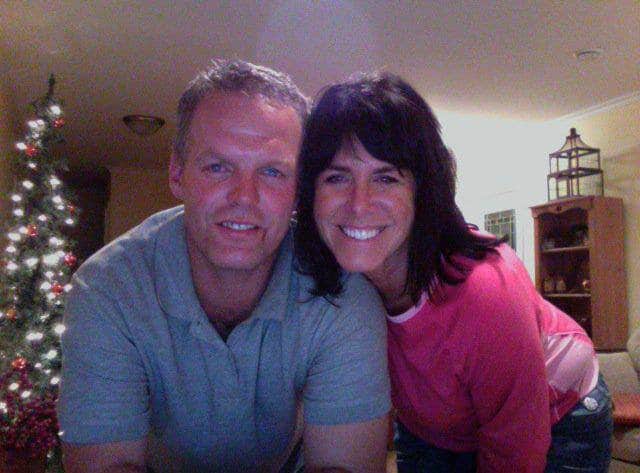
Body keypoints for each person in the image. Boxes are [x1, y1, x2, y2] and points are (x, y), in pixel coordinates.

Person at [57, 59, 391, 473]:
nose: (244, 197)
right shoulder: (107, 290)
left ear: (299, 189)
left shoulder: (343, 296)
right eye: (218, 167)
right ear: (177, 174)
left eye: (272, 171)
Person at [295, 72, 613, 472]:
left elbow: (517, 453)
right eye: (337, 177)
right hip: (435, 424)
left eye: (386, 177)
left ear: (422, 191)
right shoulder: (330, 275)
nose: (359, 204)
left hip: (560, 409)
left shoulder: (484, 291)